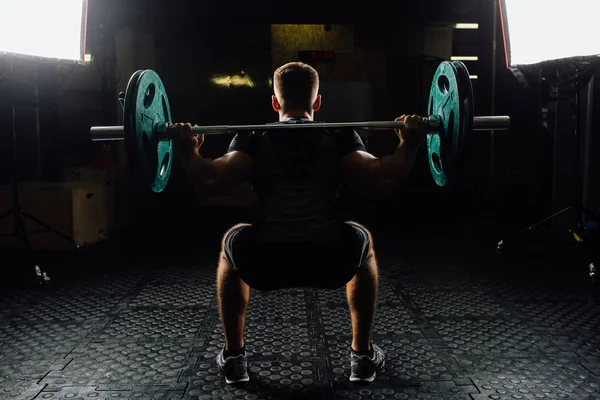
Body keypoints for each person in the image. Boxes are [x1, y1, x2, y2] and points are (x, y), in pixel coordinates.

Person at [169, 61, 429, 385]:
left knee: (231, 243)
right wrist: (410, 143)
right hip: (329, 260)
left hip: (266, 262)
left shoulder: (254, 134)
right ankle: (362, 357)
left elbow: (211, 182)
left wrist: (186, 151)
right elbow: (382, 181)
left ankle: (234, 358)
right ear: (317, 102)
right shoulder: (338, 134)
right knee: (362, 240)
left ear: (275, 102)